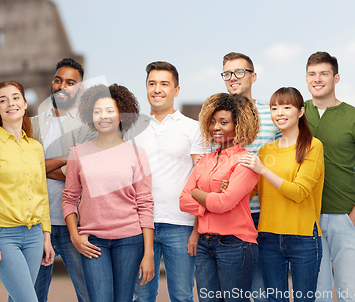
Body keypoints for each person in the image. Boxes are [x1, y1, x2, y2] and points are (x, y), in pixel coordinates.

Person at [304, 52, 355, 302]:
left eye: (324, 74)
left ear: (336, 78)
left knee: (347, 293)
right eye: (311, 74)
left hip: (345, 219)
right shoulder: (296, 112)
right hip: (308, 220)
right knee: (318, 294)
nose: (317, 79)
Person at [62, 84, 155, 302]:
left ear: (121, 115)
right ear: (90, 116)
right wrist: (75, 236)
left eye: (110, 111)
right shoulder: (78, 152)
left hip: (130, 241)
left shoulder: (137, 153)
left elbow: (145, 203)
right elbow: (69, 198)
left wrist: (148, 252)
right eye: (97, 111)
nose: (103, 116)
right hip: (92, 241)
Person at [130, 61, 209, 302]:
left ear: (176, 90)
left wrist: (196, 229)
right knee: (142, 296)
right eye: (152, 83)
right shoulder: (132, 129)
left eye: (164, 84)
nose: (157, 89)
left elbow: (202, 180)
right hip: (140, 225)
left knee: (182, 295)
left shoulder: (193, 128)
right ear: (145, 88)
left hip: (181, 225)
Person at [0, 81, 55, 302]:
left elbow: (42, 195)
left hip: (35, 235)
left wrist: (46, 236)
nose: (11, 103)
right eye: (3, 100)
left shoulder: (35, 148)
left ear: (25, 104)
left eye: (16, 98)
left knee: (17, 298)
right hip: (3, 236)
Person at [240, 87, 324, 302]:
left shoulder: (312, 147)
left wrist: (263, 170)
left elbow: (299, 192)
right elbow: (250, 193)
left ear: (301, 112)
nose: (280, 113)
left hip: (303, 237)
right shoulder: (265, 151)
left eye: (287, 107)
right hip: (268, 237)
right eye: (274, 108)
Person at [180, 93, 260, 302]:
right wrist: (211, 200)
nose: (216, 127)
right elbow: (183, 200)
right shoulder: (205, 159)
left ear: (238, 125)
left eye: (224, 122)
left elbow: (224, 203)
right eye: (213, 121)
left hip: (235, 244)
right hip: (205, 245)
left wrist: (199, 194)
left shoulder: (245, 161)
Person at [32, 58, 95, 302]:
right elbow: (22, 169)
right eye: (58, 80)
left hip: (76, 226)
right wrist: (67, 158)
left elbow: (83, 175)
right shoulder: (33, 124)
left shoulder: (89, 127)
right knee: (30, 296)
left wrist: (40, 167)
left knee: (90, 294)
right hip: (38, 223)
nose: (62, 86)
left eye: (70, 82)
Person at [221, 52, 280, 302]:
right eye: (227, 73)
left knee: (264, 290)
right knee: (234, 292)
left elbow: (284, 157)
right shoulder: (218, 118)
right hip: (230, 213)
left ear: (253, 76)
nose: (232, 78)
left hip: (265, 213)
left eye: (239, 72)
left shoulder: (272, 115)